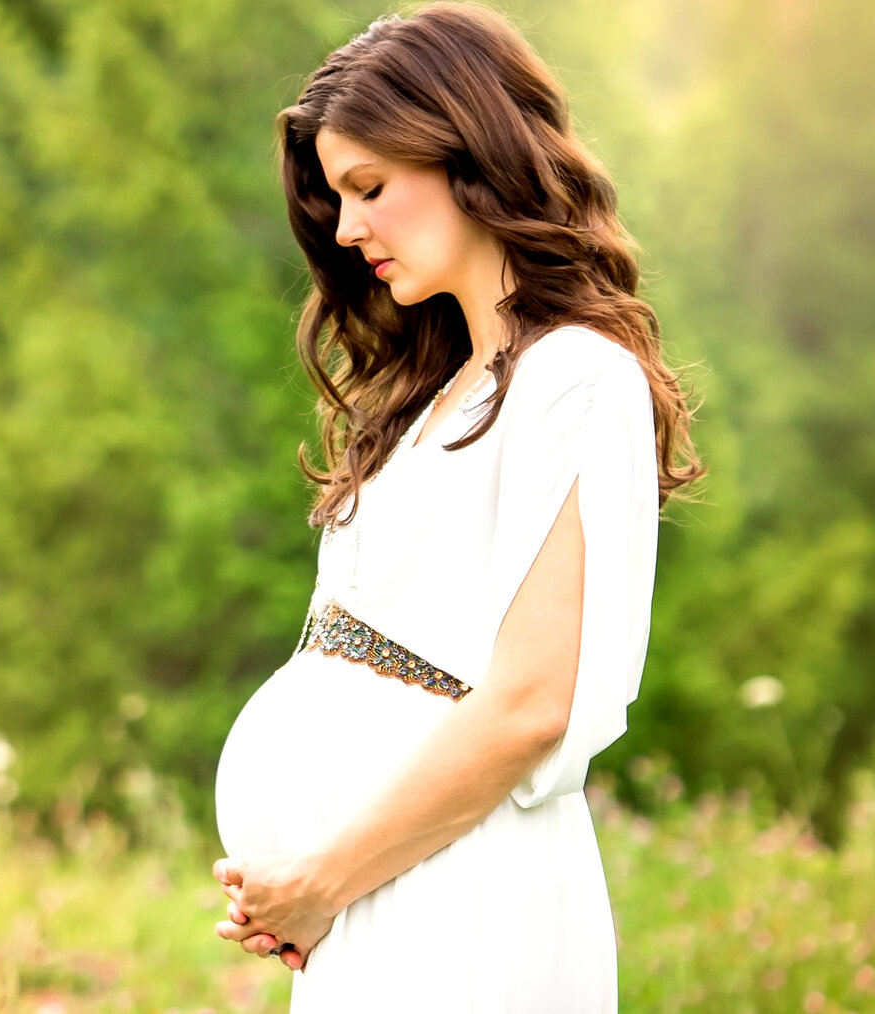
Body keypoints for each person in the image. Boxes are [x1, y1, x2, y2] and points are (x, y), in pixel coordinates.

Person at [211, 2, 704, 1010]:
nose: (348, 230)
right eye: (338, 200)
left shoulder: (574, 378)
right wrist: (314, 883)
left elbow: (530, 704)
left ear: (467, 153)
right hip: (377, 898)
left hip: (464, 900)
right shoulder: (438, 387)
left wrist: (317, 882)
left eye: (370, 188)